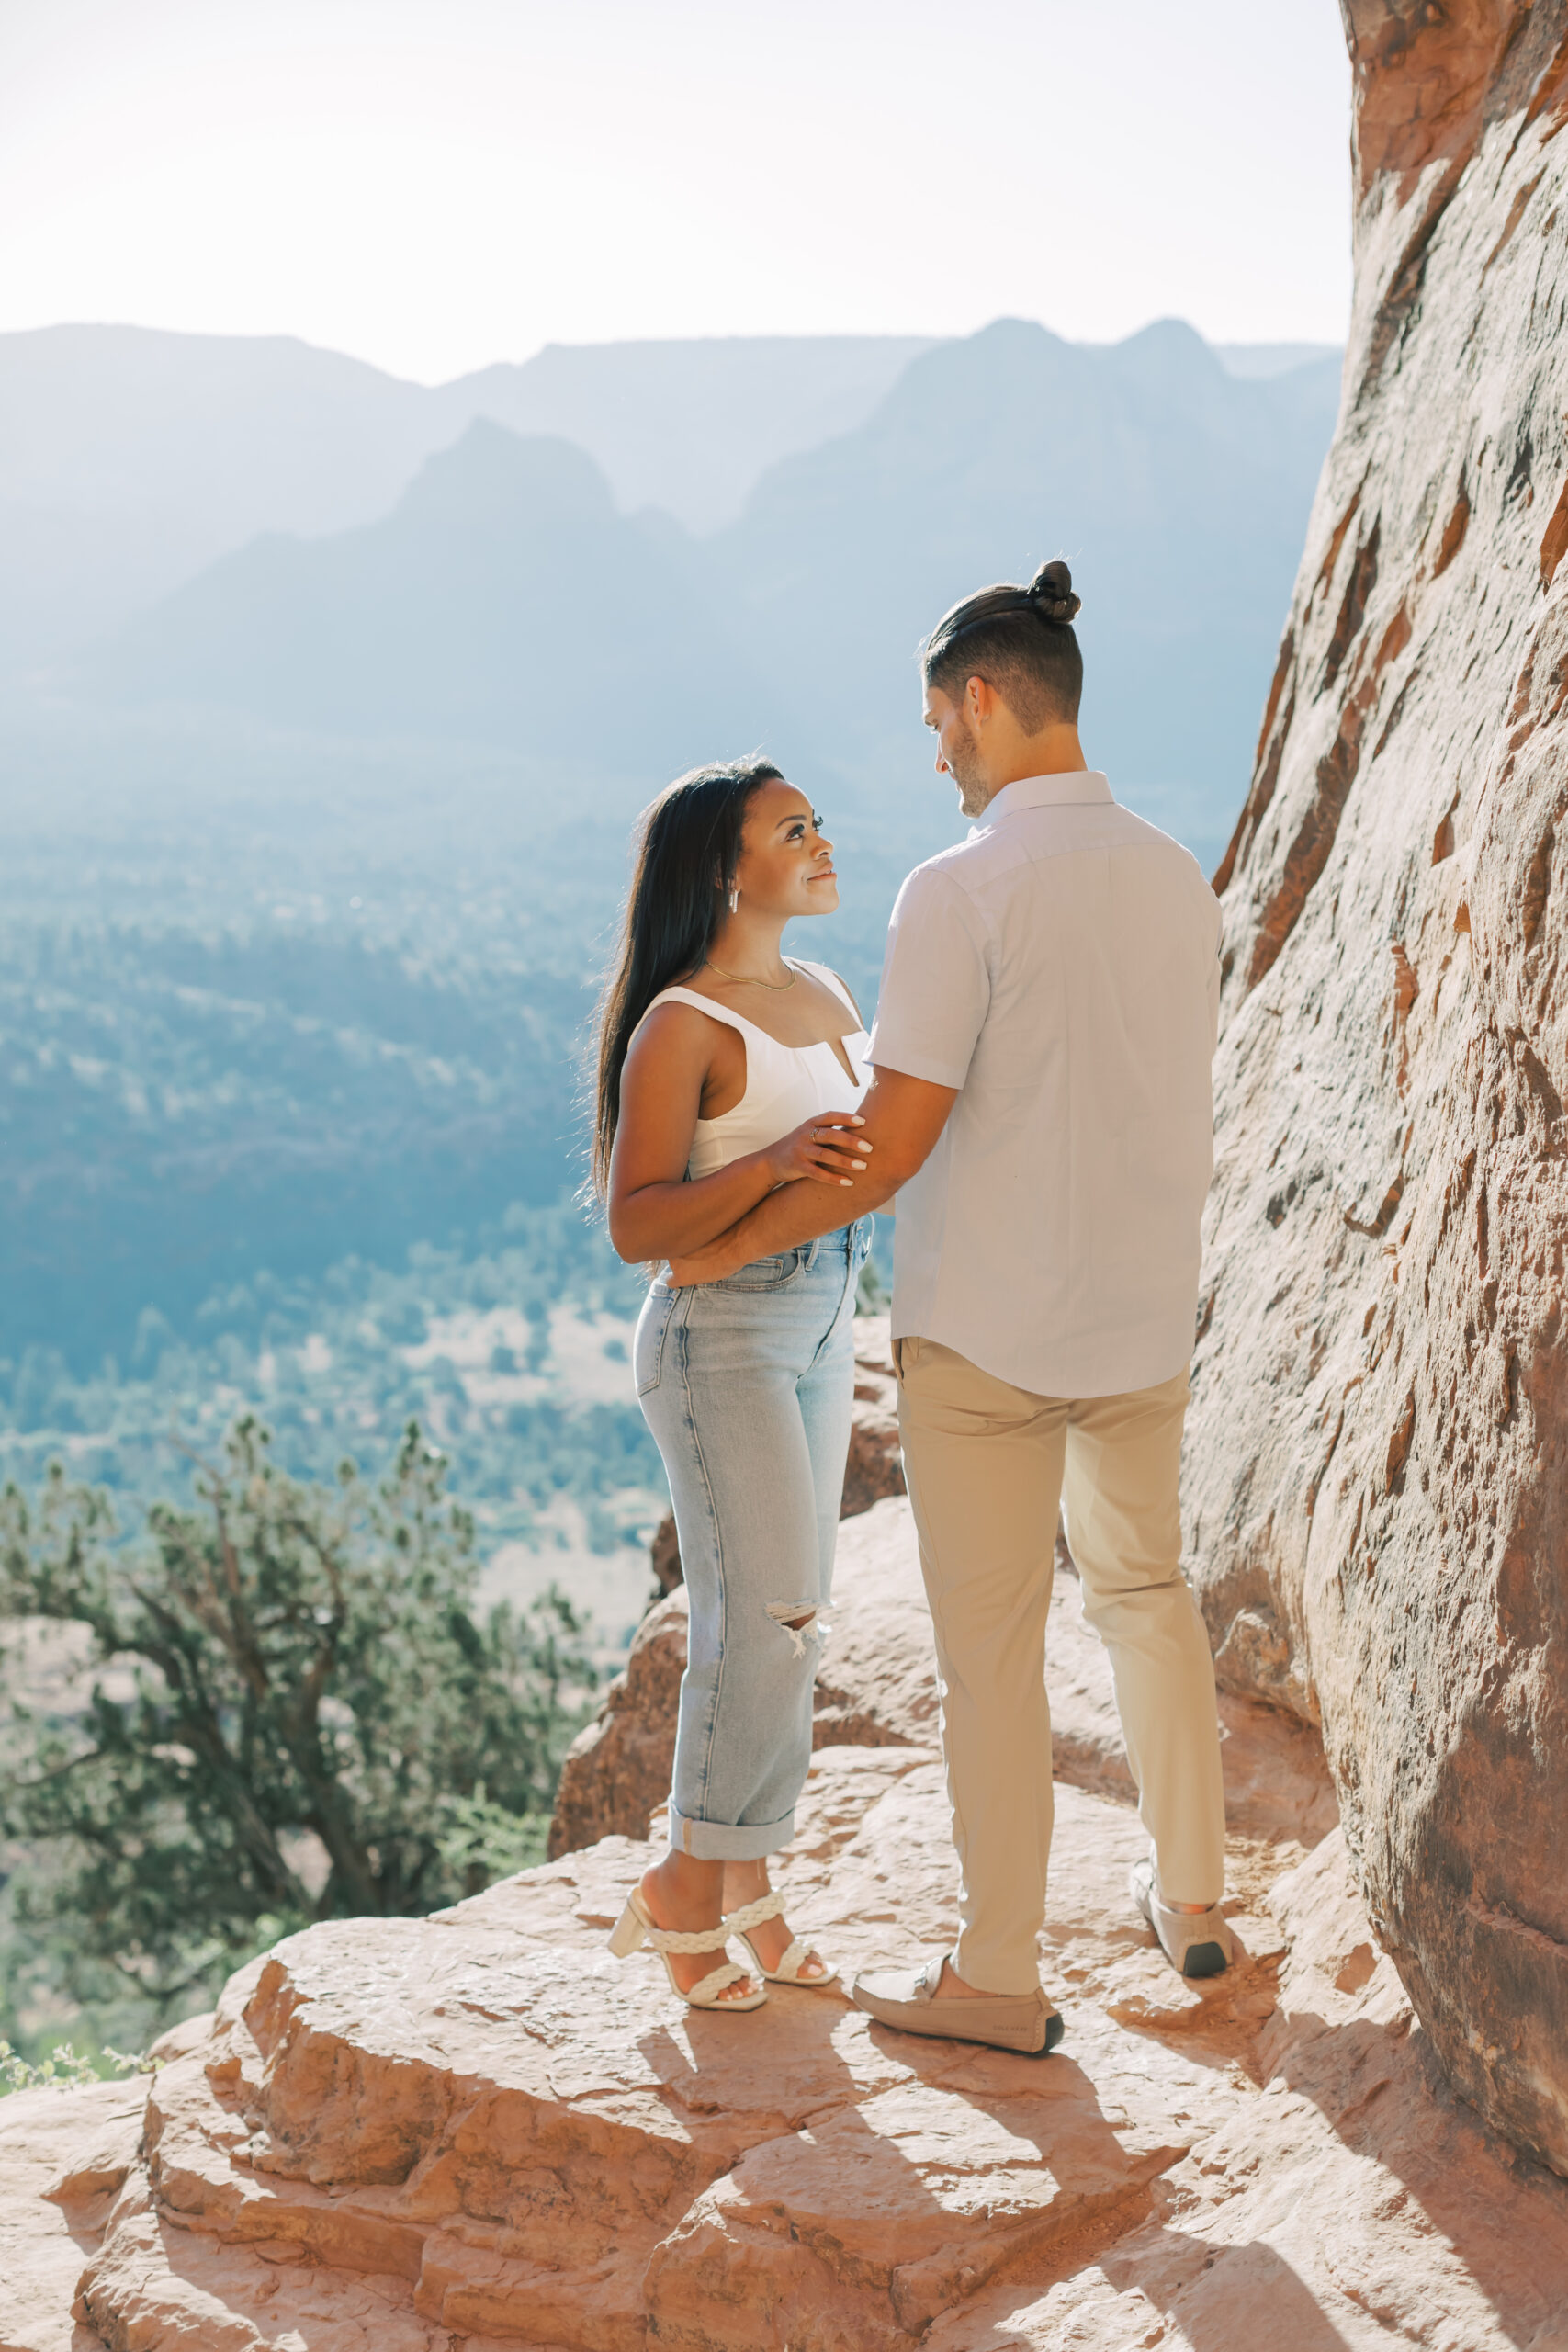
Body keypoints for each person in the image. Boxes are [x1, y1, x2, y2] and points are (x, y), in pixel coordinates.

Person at [665, 560, 1230, 2055]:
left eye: (936, 723)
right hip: (1143, 1318)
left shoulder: (959, 887)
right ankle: (1198, 1900)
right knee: (1150, 1600)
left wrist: (728, 1243)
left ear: (983, 701)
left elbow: (891, 1148)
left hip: (986, 1332)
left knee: (993, 1654)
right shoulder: (1179, 874)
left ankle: (995, 1973)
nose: (933, 754)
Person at [592, 757, 874, 2012]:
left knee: (797, 1614)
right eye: (791, 830)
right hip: (723, 1334)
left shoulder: (824, 989)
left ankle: (746, 1884)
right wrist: (775, 1170)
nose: (820, 844)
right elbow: (637, 1223)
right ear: (724, 868)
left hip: (823, 1317)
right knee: (750, 1618)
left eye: (816, 824)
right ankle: (681, 1890)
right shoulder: (682, 1024)